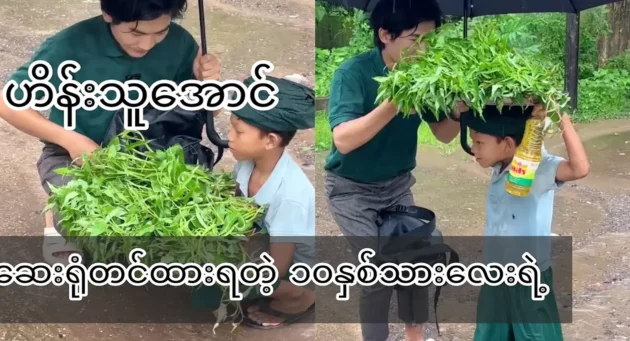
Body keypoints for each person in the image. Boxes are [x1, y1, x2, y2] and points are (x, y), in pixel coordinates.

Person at [0, 0, 220, 265]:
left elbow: (205, 113)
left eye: (159, 32)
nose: (146, 45)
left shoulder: (180, 43)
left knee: (170, 219)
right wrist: (70, 140)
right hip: (73, 156)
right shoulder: (70, 45)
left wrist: (209, 88)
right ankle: (55, 218)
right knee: (86, 209)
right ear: (108, 14)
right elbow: (8, 103)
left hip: (146, 154)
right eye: (135, 33)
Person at [323, 0, 467, 340]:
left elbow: (444, 134)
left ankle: (415, 336)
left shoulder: (425, 76)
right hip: (351, 190)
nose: (425, 49)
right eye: (416, 39)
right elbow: (343, 139)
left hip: (397, 186)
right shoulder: (353, 73)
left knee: (416, 261)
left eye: (431, 39)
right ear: (385, 34)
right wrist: (393, 103)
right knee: (375, 272)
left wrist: (459, 113)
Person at [463, 104, 589, 341]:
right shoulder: (500, 162)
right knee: (490, 335)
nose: (473, 149)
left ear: (508, 144)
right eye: (472, 141)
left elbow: (579, 168)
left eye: (479, 143)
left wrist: (562, 119)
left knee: (535, 335)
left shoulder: (538, 167)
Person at [227, 75, 316, 329]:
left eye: (239, 131)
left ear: (270, 141)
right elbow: (237, 207)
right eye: (231, 127)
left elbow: (277, 266)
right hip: (267, 242)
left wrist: (237, 279)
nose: (230, 137)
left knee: (217, 282)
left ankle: (300, 298)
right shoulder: (245, 164)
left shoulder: (290, 194)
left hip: (293, 265)